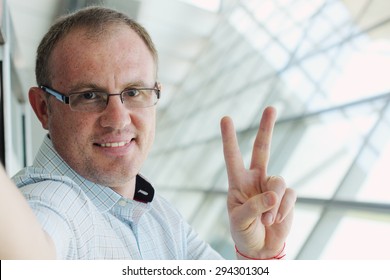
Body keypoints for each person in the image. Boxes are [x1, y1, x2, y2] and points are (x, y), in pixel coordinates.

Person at [7, 6, 296, 259]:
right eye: (89, 96)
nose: (118, 120)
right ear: (43, 109)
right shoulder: (50, 201)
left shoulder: (159, 215)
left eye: (134, 92)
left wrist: (259, 257)